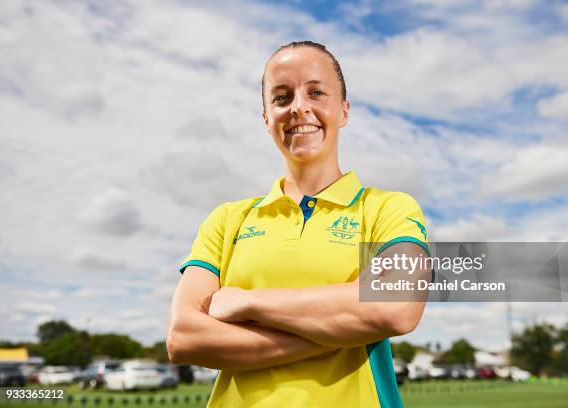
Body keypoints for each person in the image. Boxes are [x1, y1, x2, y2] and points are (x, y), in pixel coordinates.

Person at [167, 40, 432, 408]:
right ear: (266, 118)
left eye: (317, 92)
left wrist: (247, 302)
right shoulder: (228, 219)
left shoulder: (388, 208)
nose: (299, 108)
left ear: (343, 111)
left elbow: (396, 306)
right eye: (281, 97)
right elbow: (184, 338)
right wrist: (342, 330)